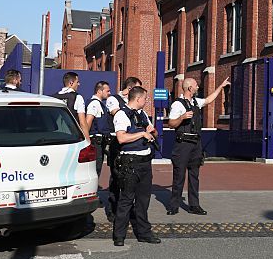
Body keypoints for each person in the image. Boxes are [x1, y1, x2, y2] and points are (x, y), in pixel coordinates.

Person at [167, 76, 230, 215]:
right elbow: (171, 124)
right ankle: (174, 206)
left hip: (196, 144)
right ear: (190, 88)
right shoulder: (177, 104)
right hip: (183, 144)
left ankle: (194, 205)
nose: (197, 88)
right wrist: (182, 118)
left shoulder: (196, 102)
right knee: (179, 176)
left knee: (194, 175)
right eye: (196, 86)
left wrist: (221, 86)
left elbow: (208, 100)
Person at [110, 86, 161, 246]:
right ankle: (119, 236)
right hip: (130, 164)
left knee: (143, 201)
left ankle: (144, 233)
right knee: (126, 200)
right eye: (145, 99)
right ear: (138, 99)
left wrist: (152, 131)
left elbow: (153, 133)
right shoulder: (121, 114)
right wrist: (141, 133)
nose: (146, 101)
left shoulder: (143, 114)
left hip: (145, 162)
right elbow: (121, 138)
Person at [84, 80, 116, 220]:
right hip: (95, 142)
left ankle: (94, 195)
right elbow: (87, 122)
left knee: (97, 170)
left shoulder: (100, 104)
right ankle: (92, 197)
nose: (109, 93)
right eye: (107, 91)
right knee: (95, 170)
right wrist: (88, 141)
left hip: (100, 142)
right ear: (99, 91)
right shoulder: (94, 104)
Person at [54, 72, 88, 138]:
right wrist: (87, 140)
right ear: (71, 83)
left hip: (55, 137)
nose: (79, 84)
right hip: (71, 138)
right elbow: (82, 123)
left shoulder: (54, 97)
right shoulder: (77, 97)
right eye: (77, 82)